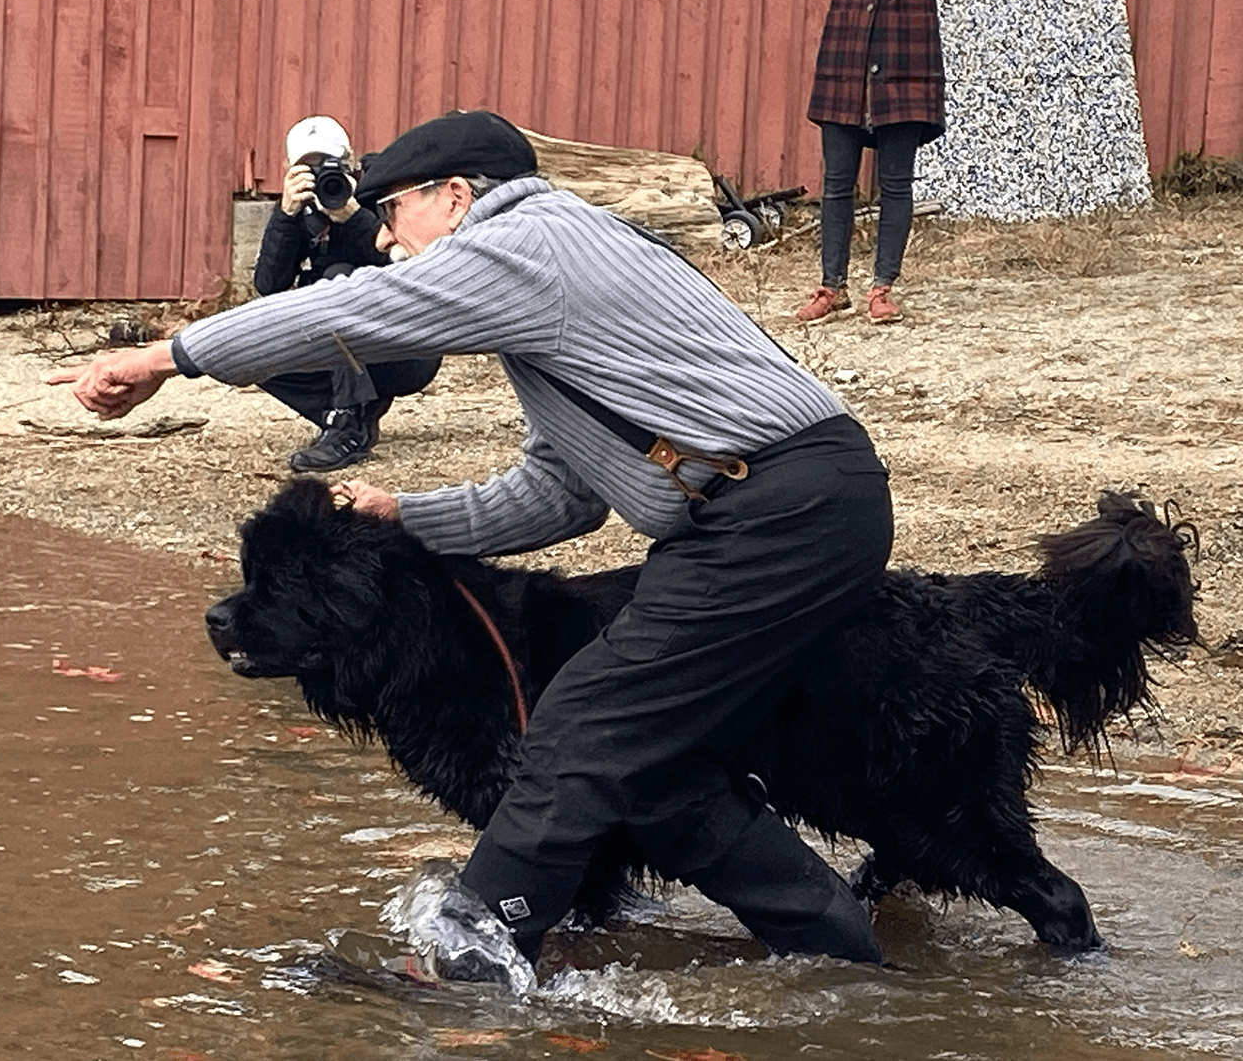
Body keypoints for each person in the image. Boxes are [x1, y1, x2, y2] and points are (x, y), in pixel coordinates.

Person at [50, 110, 895, 971]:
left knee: (577, 726)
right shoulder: (561, 269)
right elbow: (561, 496)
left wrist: (167, 356)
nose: (384, 240)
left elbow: (358, 309)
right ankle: (840, 967)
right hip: (780, 510)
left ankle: (466, 959)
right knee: (642, 755)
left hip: (783, 512)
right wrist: (404, 514)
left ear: (454, 197)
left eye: (391, 213)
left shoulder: (526, 240)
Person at [775, 0, 959, 325]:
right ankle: (832, 287)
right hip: (846, 62)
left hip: (905, 63)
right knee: (837, 182)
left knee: (896, 182)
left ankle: (883, 287)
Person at [255, 116, 440, 472]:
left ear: (350, 162)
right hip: (337, 354)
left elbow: (409, 271)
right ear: (289, 170)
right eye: (306, 168)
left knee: (337, 281)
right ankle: (349, 416)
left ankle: (346, 425)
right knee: (249, 348)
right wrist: (286, 215)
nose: (319, 176)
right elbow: (269, 286)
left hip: (403, 351)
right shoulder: (298, 213)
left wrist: (354, 216)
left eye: (328, 165)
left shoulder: (380, 197)